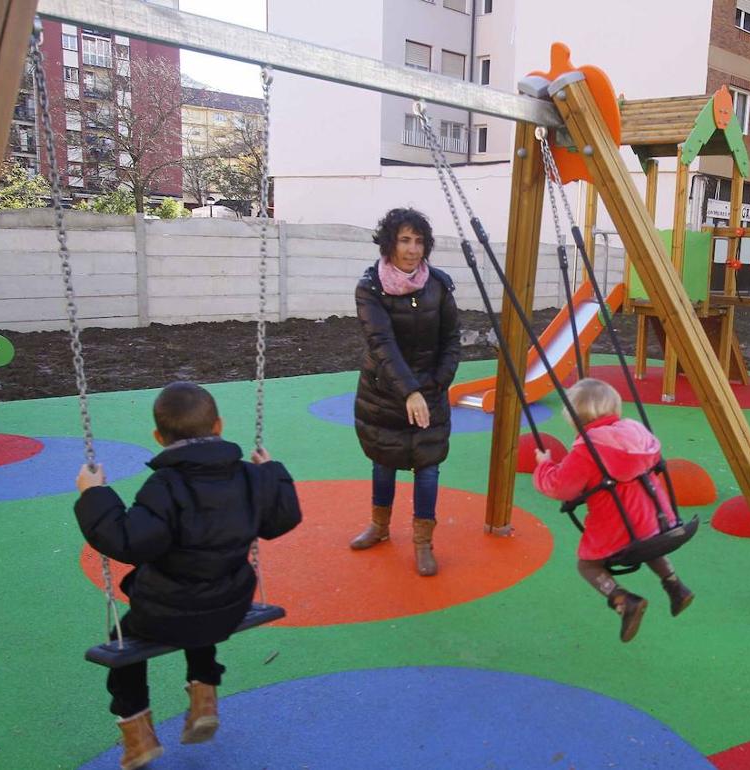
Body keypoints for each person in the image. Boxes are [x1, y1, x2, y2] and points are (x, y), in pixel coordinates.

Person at [73, 381, 302, 770]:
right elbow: (282, 519)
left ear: (159, 437)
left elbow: (128, 542)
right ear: (219, 426)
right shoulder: (249, 476)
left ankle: (139, 735)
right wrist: (271, 473)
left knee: (125, 642)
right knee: (199, 612)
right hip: (230, 604)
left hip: (165, 614)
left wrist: (93, 494)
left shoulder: (164, 486)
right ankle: (204, 697)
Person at [532, 378, 694, 643]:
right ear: (615, 409)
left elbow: (560, 487)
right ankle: (675, 585)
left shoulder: (588, 450)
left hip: (620, 527)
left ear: (574, 419)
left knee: (587, 565)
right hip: (659, 518)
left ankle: (622, 599)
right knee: (651, 543)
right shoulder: (637, 433)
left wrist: (544, 465)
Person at [349, 207, 461, 576]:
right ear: (389, 243)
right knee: (384, 459)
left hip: (428, 390)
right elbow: (381, 344)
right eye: (404, 240)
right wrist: (408, 391)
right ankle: (380, 527)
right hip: (384, 392)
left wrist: (434, 385)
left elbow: (451, 342)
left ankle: (422, 542)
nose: (413, 249)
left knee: (427, 466)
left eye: (419, 241)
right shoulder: (370, 287)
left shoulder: (439, 285)